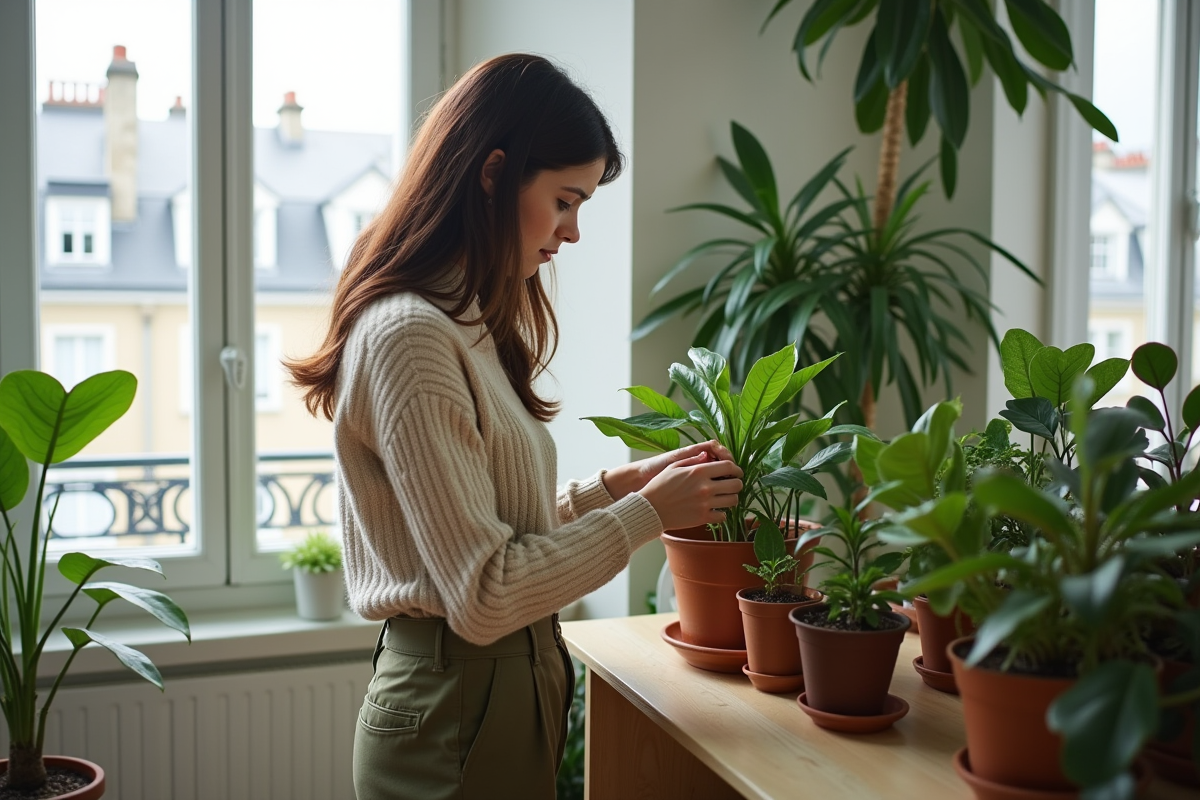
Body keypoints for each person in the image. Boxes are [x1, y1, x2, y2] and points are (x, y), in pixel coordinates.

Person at [286, 53, 744, 800]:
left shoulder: (464, 319)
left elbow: (483, 532)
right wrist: (647, 515)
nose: (571, 233)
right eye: (565, 200)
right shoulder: (411, 335)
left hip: (494, 692)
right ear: (494, 174)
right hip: (455, 707)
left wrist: (612, 490)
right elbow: (485, 593)